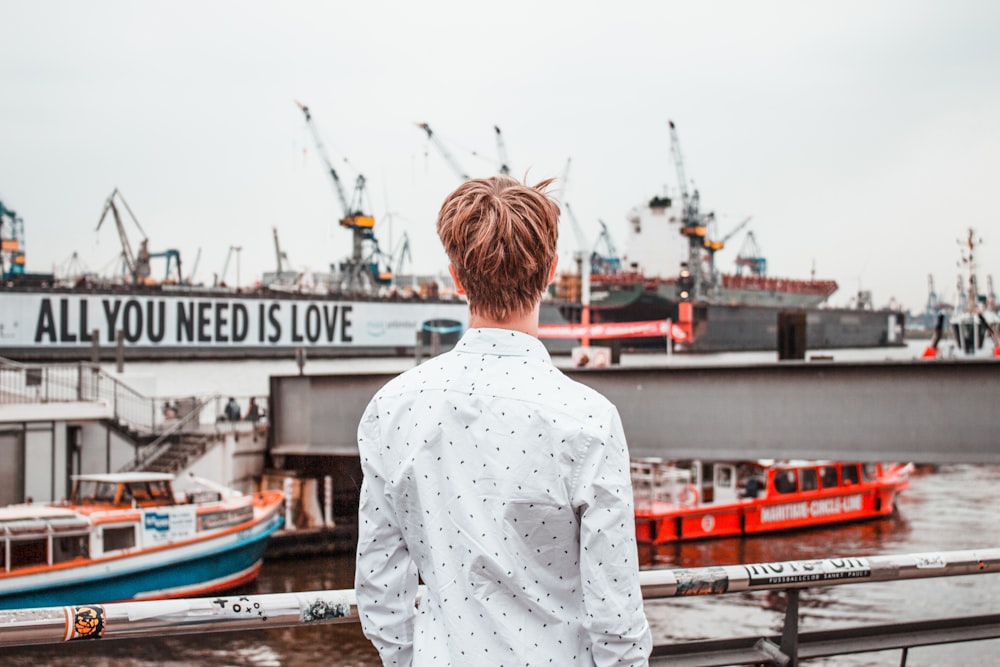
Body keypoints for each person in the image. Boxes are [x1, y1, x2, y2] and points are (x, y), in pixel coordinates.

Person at [355, 175, 652, 666]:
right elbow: (616, 616)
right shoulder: (589, 421)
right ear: (552, 271)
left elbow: (380, 586)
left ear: (456, 276)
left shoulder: (393, 408)